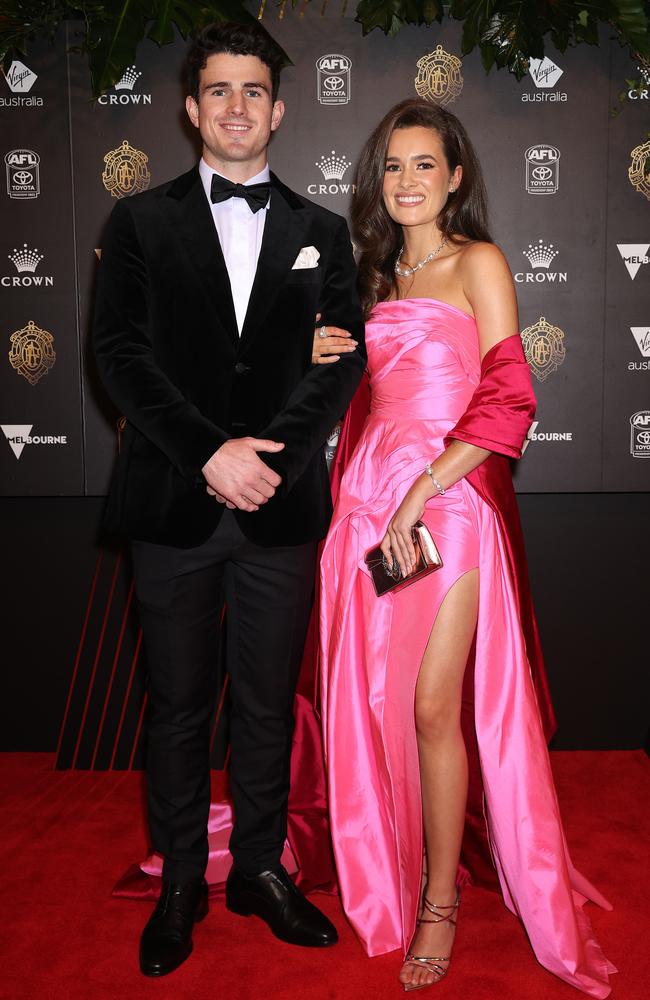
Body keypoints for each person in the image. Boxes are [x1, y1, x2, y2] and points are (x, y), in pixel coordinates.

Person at [318, 99, 615, 996]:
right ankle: (398, 861)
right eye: (393, 166)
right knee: (375, 700)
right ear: (380, 181)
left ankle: (440, 899)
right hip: (368, 502)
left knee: (435, 706)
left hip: (447, 497)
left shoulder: (477, 261)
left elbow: (510, 395)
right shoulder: (372, 280)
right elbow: (365, 395)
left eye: (424, 165)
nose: (407, 181)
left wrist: (427, 487)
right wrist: (325, 356)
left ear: (454, 177)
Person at [93, 21, 365, 977]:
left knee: (262, 705)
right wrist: (212, 454)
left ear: (280, 109)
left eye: (254, 91)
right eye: (220, 91)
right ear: (191, 106)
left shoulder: (323, 234)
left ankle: (257, 869)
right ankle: (178, 881)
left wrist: (270, 460)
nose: (237, 107)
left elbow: (339, 364)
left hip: (280, 509)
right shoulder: (137, 223)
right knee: (175, 706)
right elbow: (120, 357)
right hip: (172, 501)